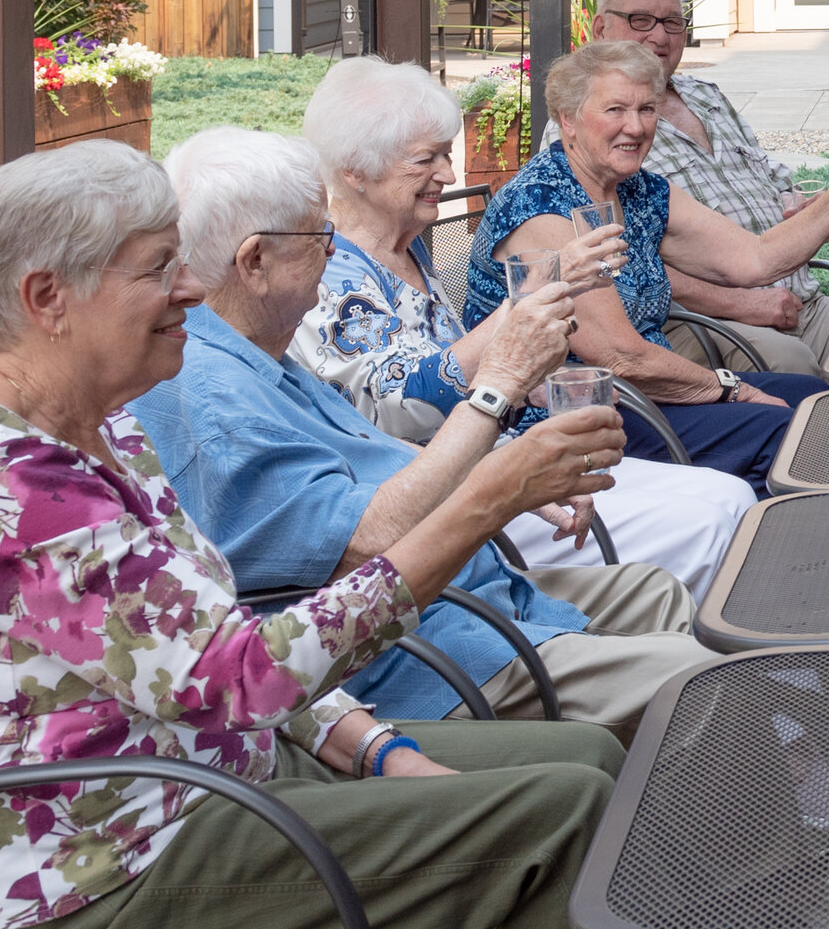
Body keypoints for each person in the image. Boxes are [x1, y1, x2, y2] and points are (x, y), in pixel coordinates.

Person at [0, 139, 821, 929]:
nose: (190, 284)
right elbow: (236, 676)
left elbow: (212, 632)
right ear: (47, 296)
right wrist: (479, 500)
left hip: (186, 787)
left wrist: (378, 746)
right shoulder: (7, 483)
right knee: (555, 816)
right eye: (156, 267)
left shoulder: (91, 425)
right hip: (76, 884)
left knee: (580, 756)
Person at [133, 128, 718, 741]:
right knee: (699, 677)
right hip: (425, 652)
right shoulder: (214, 395)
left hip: (473, 597)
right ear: (254, 262)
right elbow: (368, 542)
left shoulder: (247, 349)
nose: (334, 252)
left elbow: (369, 452)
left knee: (659, 592)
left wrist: (500, 467)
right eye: (318, 235)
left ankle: (661, 796)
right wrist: (498, 393)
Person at [295, 53, 755, 598]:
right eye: (427, 160)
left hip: (503, 450)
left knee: (729, 498)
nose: (447, 173)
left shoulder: (406, 249)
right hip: (443, 498)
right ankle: (687, 664)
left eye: (446, 154)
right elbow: (396, 405)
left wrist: (538, 386)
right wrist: (539, 289)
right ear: (355, 170)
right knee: (705, 527)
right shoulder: (329, 274)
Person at [469, 40, 829, 491]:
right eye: (615, 110)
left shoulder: (637, 189)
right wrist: (732, 388)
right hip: (573, 422)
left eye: (647, 109)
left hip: (648, 396)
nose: (636, 126)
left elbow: (754, 259)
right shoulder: (543, 207)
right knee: (790, 433)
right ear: (569, 120)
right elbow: (619, 356)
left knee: (818, 403)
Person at [585, 0, 829, 376]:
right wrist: (742, 304)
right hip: (707, 323)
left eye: (672, 22)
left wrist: (799, 209)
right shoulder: (591, 124)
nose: (659, 35)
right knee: (790, 365)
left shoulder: (705, 95)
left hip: (800, 302)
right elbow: (622, 265)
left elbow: (773, 177)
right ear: (601, 29)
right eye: (641, 20)